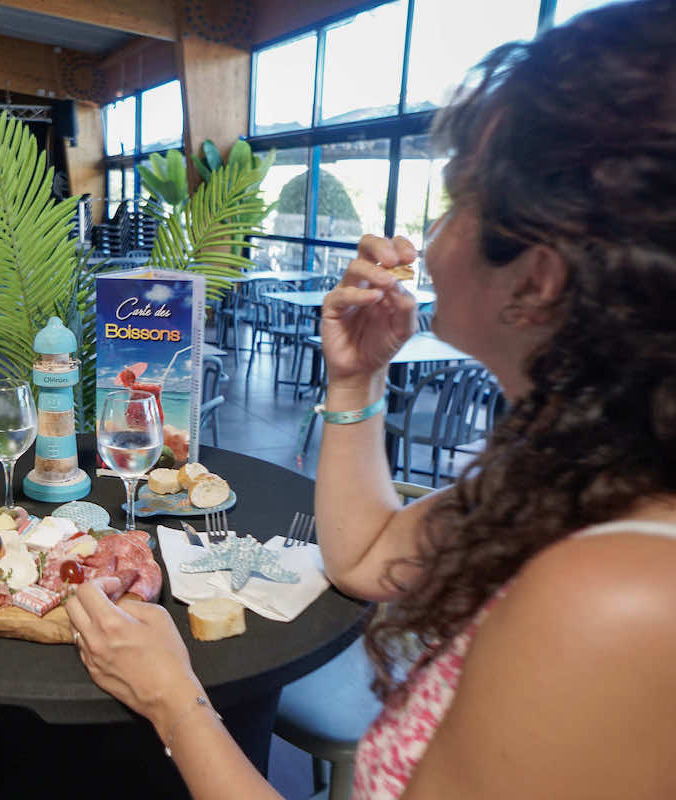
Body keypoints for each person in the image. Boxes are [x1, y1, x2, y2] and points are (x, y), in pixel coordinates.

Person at [67, 2, 676, 798]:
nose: (429, 236)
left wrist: (174, 700)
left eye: (458, 202)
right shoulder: (576, 476)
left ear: (537, 278)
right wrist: (356, 380)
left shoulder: (615, 597)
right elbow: (363, 560)